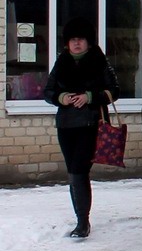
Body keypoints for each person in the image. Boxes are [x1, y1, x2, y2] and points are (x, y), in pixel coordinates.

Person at [42, 17, 119, 238]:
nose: (77, 44)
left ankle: (82, 222)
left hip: (90, 123)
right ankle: (81, 219)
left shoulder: (99, 61)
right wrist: (62, 97)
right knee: (73, 173)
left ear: (89, 42)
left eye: (81, 40)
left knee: (78, 171)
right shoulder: (62, 61)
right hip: (66, 125)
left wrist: (89, 97)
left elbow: (114, 90)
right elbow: (48, 92)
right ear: (67, 43)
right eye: (73, 40)